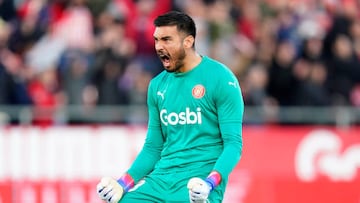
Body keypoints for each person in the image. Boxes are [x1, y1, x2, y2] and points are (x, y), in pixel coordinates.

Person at [96, 11, 244, 203]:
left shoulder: (221, 78)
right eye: (157, 40)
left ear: (188, 42)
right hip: (159, 182)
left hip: (196, 187)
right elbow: (153, 147)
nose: (159, 47)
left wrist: (209, 183)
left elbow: (233, 144)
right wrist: (122, 184)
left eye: (167, 40)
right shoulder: (157, 85)